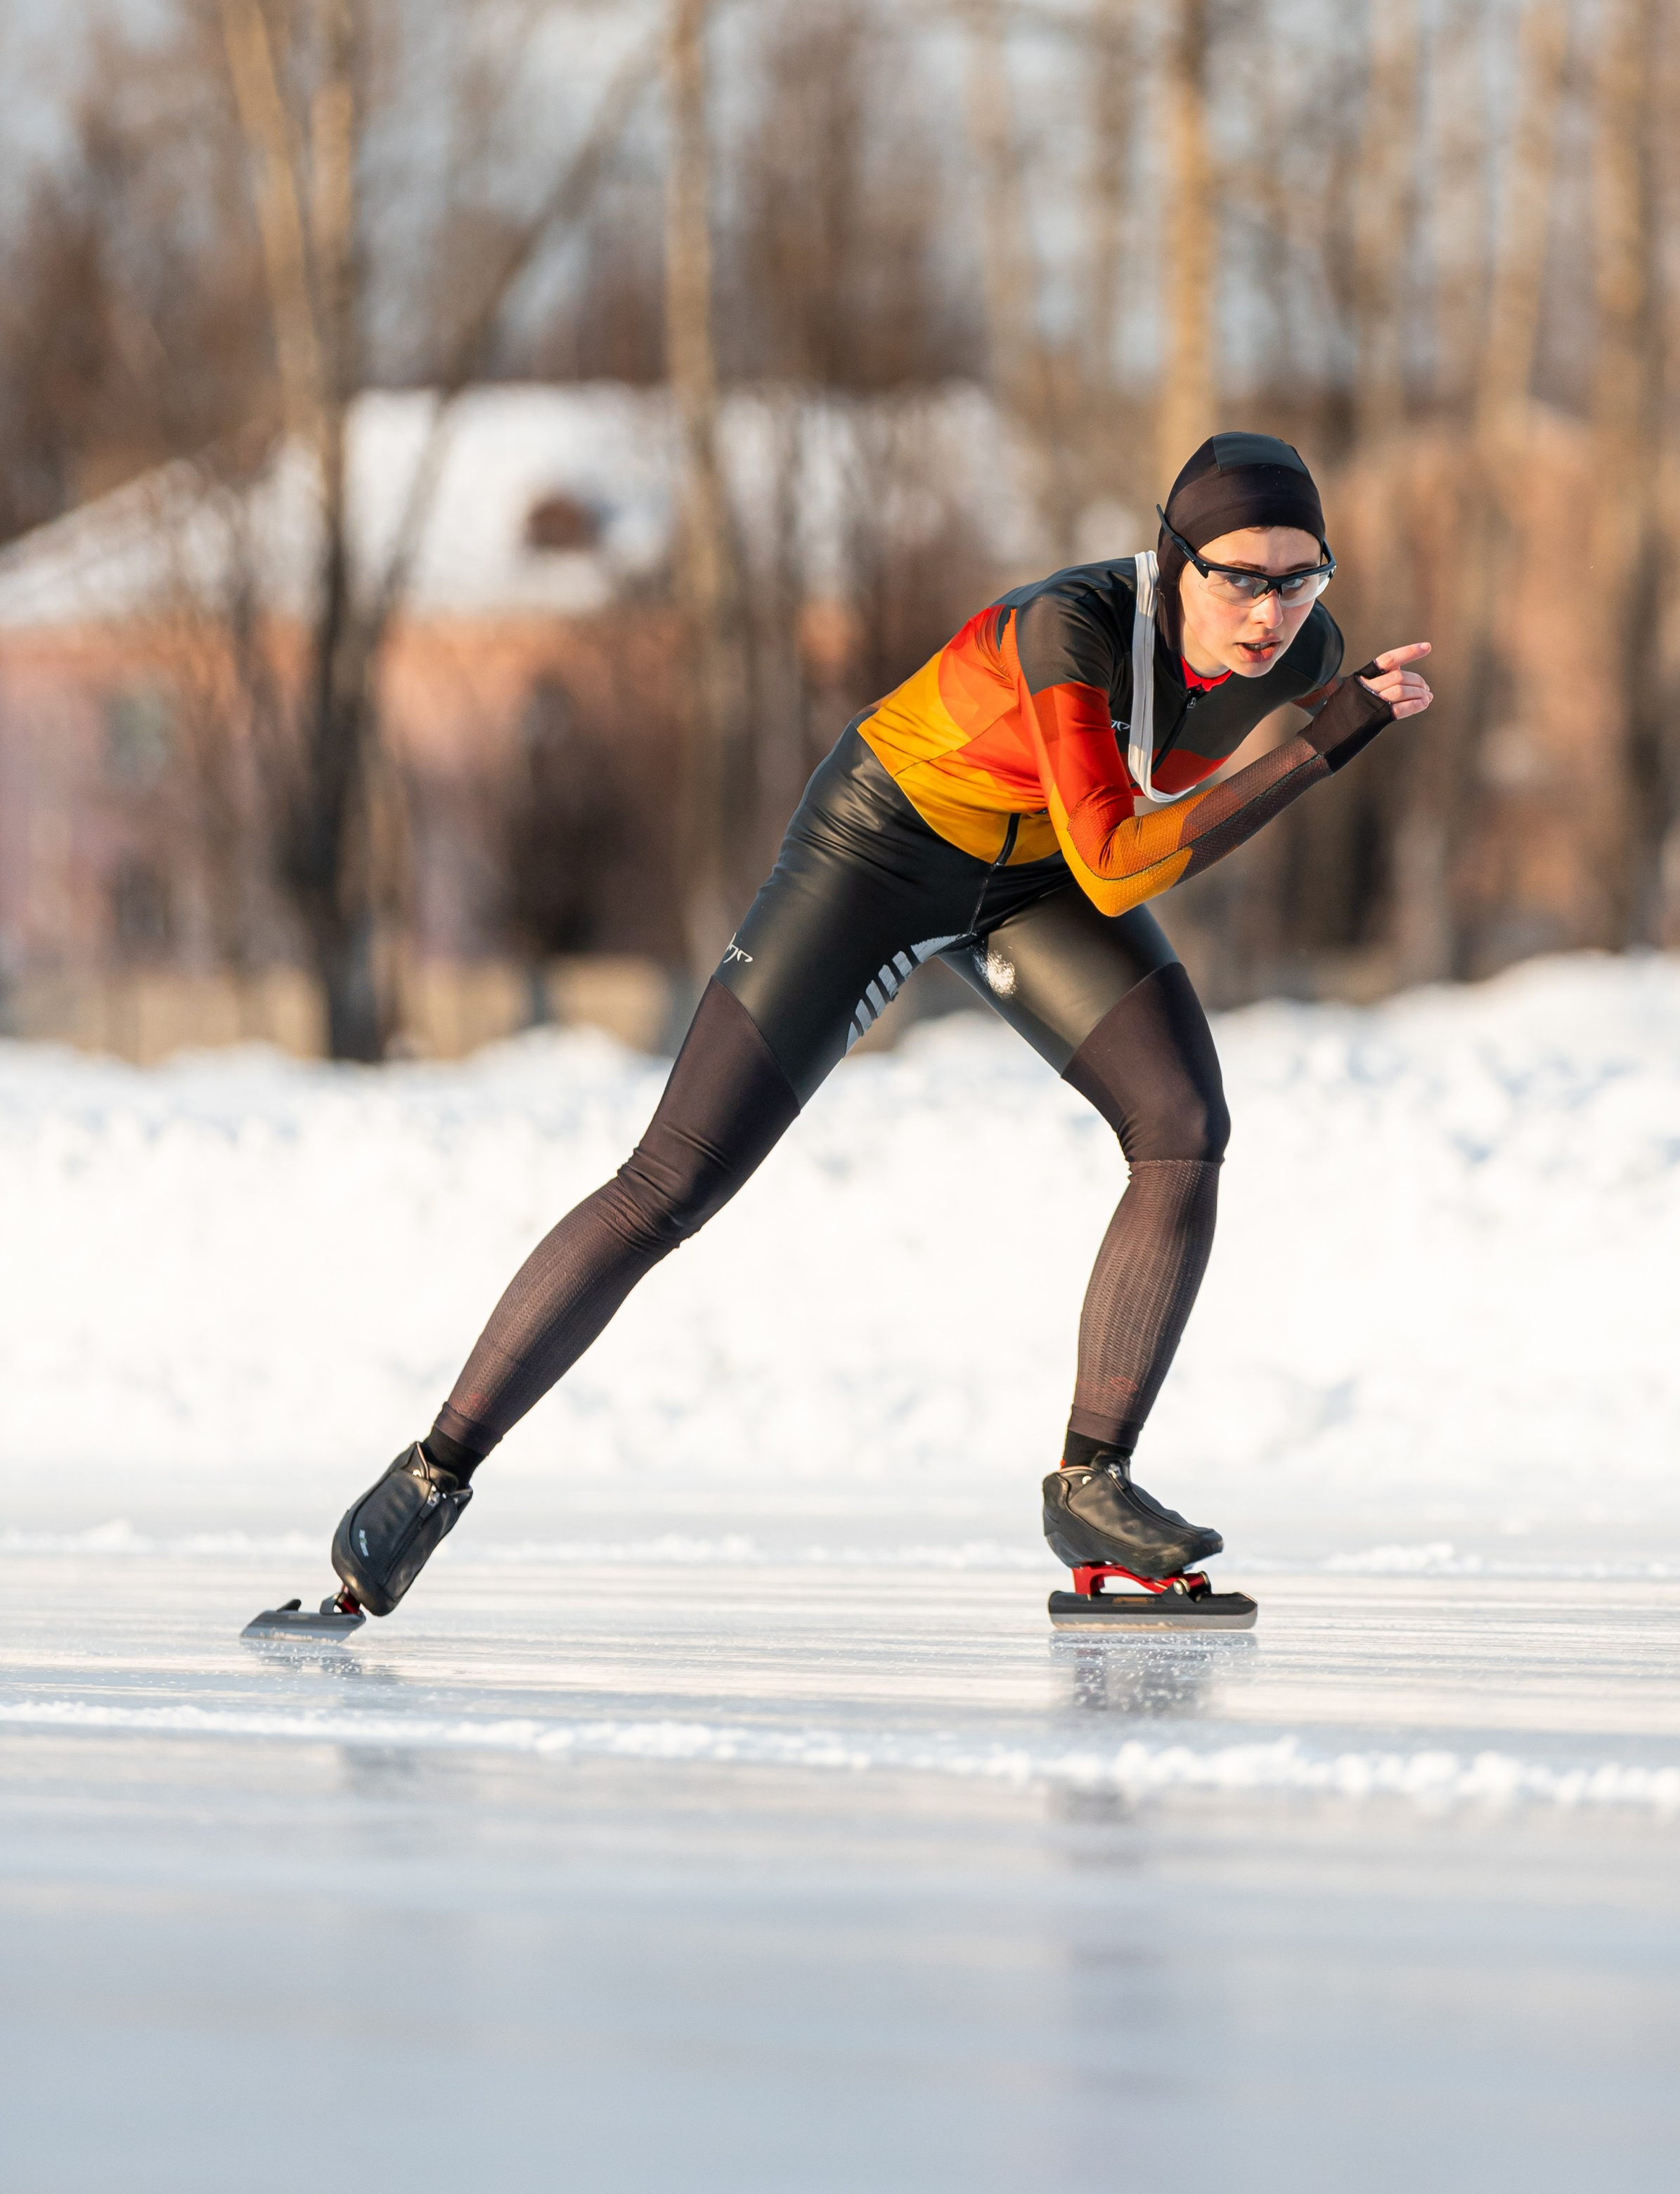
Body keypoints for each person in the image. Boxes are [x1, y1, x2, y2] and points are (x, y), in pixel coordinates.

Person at [329, 432, 1432, 1614]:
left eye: (1299, 577)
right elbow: (1117, 866)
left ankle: (1093, 1484)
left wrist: (1339, 707)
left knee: (1183, 1121)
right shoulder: (1072, 630)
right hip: (882, 849)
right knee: (672, 1183)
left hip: (1036, 874)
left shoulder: (1302, 644)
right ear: (1171, 563)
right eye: (1238, 578)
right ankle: (429, 1476)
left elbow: (1163, 808)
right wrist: (1326, 744)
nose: (1269, 613)